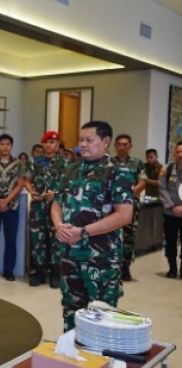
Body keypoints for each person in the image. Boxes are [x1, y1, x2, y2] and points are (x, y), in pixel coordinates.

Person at [51, 120, 133, 331]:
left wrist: (83, 232)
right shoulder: (71, 170)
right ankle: (71, 355)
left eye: (90, 140)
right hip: (69, 254)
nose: (83, 144)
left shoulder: (117, 172)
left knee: (103, 315)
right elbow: (57, 204)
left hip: (100, 259)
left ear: (105, 142)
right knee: (71, 310)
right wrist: (59, 226)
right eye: (81, 140)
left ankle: (100, 360)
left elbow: (124, 215)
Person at [25, 131, 66, 288]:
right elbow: (27, 180)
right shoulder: (35, 161)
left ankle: (55, 273)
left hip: (56, 206)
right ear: (43, 144)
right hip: (38, 206)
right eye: (47, 142)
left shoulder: (64, 162)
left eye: (53, 142)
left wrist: (55, 194)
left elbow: (69, 184)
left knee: (56, 239)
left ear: (57, 145)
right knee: (38, 239)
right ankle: (40, 272)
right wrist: (31, 191)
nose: (49, 145)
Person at [0, 134, 26, 281]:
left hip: (12, 206)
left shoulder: (19, 164)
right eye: (2, 144)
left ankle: (9, 270)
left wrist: (7, 200)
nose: (5, 147)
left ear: (11, 146)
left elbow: (20, 184)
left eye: (7, 144)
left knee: (11, 239)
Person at [112, 134, 146, 281]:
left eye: (125, 144)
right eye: (119, 144)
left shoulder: (137, 163)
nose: (122, 147)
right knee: (110, 236)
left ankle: (125, 267)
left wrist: (127, 194)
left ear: (130, 146)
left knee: (129, 236)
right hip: (111, 206)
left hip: (130, 205)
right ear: (115, 146)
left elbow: (142, 183)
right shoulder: (108, 162)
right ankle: (111, 267)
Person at [158, 142, 182, 278]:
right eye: (178, 151)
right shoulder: (167, 169)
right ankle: (172, 268)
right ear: (174, 153)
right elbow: (162, 189)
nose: (180, 154)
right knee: (170, 242)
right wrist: (173, 207)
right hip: (170, 213)